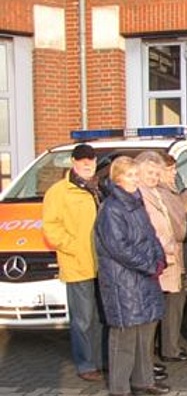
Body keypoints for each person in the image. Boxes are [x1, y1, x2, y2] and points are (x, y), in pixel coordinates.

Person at [94, 156, 169, 396]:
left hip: (144, 278)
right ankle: (120, 387)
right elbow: (119, 247)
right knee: (124, 337)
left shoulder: (137, 203)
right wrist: (149, 264)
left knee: (145, 332)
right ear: (117, 178)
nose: (134, 180)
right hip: (123, 281)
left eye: (136, 175)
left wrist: (160, 259)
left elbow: (151, 236)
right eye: (129, 175)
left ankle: (143, 380)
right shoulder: (111, 208)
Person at [42, 144, 104, 382]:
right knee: (83, 319)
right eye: (82, 160)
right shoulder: (59, 191)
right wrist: (73, 247)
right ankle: (85, 364)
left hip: (102, 264)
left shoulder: (99, 188)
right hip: (78, 264)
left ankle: (99, 361)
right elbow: (51, 227)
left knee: (100, 317)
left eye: (91, 159)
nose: (87, 164)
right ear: (73, 161)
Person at [134, 151, 187, 364]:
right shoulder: (145, 195)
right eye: (150, 172)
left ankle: (163, 353)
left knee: (170, 304)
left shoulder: (167, 192)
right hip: (159, 258)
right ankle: (149, 360)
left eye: (156, 172)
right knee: (154, 312)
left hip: (172, 255)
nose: (155, 176)